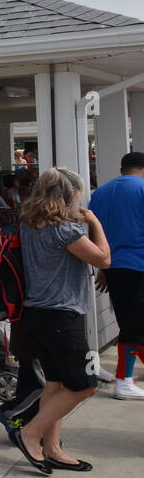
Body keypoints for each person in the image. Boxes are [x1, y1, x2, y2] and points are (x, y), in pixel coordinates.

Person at [9, 167, 111, 473]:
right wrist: (94, 222)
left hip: (37, 314)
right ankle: (29, 434)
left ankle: (52, 448)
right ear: (69, 195)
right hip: (61, 315)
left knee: (55, 383)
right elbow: (104, 259)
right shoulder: (66, 231)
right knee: (84, 384)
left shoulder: (30, 225)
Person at [90, 152, 144, 400]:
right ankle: (124, 380)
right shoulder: (142, 188)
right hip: (138, 265)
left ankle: (125, 378)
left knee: (129, 324)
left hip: (113, 268)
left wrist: (103, 265)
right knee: (135, 327)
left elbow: (97, 234)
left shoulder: (100, 193)